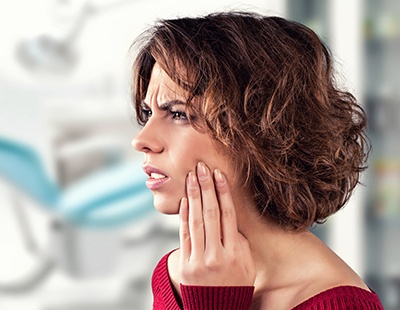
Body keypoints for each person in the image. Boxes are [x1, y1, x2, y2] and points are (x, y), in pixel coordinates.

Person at [130, 11, 383, 310]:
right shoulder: (178, 276)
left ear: (260, 131)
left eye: (178, 114)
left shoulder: (340, 305)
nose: (141, 141)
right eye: (148, 114)